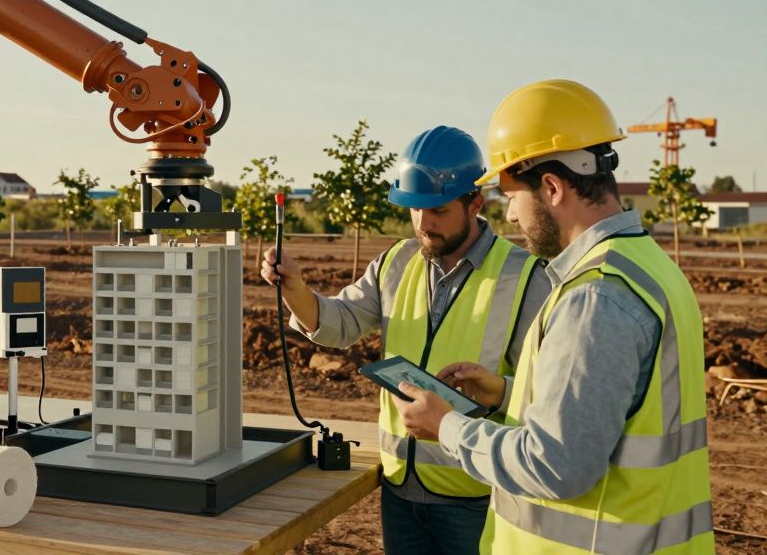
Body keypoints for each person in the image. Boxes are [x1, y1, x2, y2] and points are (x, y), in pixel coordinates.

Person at [396, 80, 713, 554]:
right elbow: (612, 413)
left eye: (511, 198)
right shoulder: (649, 268)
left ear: (551, 187)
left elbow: (556, 466)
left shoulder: (597, 297)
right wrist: (506, 394)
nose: (510, 219)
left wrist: (447, 427)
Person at [262, 125, 549, 555]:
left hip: (477, 497)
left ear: (475, 202)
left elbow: (546, 394)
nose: (423, 224)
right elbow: (340, 323)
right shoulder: (396, 262)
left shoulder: (526, 277)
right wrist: (297, 290)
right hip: (400, 490)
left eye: (438, 210)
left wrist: (501, 393)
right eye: (414, 209)